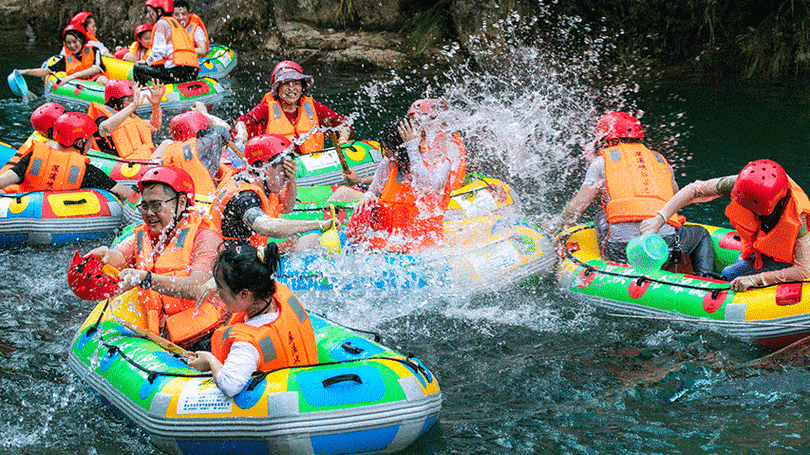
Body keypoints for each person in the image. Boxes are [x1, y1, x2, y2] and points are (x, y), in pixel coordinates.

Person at [553, 111, 715, 276]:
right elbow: (677, 199)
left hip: (621, 252)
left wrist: (556, 226)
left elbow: (577, 207)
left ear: (612, 140)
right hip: (664, 249)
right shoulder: (660, 161)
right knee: (700, 233)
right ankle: (706, 277)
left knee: (602, 215)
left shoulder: (601, 163)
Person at [88, 166, 224, 343]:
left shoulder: (205, 236)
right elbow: (120, 257)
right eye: (144, 206)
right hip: (163, 331)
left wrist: (146, 279)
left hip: (206, 335)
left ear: (181, 203)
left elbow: (199, 288)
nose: (149, 213)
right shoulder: (144, 234)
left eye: (156, 205)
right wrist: (105, 255)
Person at [641, 159, 810, 291]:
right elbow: (695, 190)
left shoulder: (797, 215)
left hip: (793, 261)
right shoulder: (743, 183)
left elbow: (804, 270)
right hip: (763, 252)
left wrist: (755, 279)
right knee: (730, 274)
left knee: (729, 276)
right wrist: (660, 218)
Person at [187, 243, 319, 397]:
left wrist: (209, 360)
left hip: (280, 407)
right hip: (306, 384)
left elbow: (229, 385)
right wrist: (217, 281)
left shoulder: (246, 345)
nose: (218, 295)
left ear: (244, 294)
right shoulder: (273, 290)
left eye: (221, 289)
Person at [208, 134, 338, 251]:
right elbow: (266, 227)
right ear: (261, 166)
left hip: (247, 253)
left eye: (289, 170)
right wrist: (319, 224)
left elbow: (287, 208)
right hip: (229, 264)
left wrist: (291, 180)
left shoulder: (261, 180)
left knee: (309, 240)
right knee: (311, 240)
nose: (286, 176)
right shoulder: (244, 196)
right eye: (283, 170)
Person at [345, 117, 452, 253]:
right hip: (391, 240)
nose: (388, 155)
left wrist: (412, 147)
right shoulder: (389, 162)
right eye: (385, 150)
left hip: (424, 245)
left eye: (390, 150)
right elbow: (374, 190)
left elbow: (429, 186)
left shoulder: (438, 160)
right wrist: (368, 197)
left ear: (404, 148)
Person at [0, 112, 133, 202]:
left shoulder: (33, 158)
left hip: (25, 212)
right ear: (80, 143)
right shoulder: (87, 171)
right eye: (90, 140)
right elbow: (125, 194)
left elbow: (4, 180)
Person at [232, 60, 351, 155]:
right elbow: (242, 122)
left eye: (296, 83)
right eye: (286, 83)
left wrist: (343, 138)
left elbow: (343, 124)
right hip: (277, 167)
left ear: (302, 87)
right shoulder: (266, 108)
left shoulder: (314, 107)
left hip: (312, 166)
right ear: (277, 87)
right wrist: (242, 134)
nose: (291, 88)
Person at [151, 103, 231, 196]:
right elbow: (224, 127)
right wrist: (205, 114)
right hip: (205, 201)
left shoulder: (169, 149)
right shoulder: (199, 147)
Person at [87, 79, 165, 160]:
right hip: (124, 167)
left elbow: (154, 126)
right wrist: (133, 105)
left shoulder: (130, 117)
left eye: (133, 100)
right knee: (167, 143)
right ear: (116, 101)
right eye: (129, 100)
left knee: (167, 145)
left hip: (141, 162)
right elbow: (104, 129)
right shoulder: (102, 118)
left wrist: (156, 105)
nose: (133, 102)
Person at [16, 25, 108, 89]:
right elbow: (45, 71)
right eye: (68, 43)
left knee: (102, 79)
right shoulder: (66, 60)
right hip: (78, 87)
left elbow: (97, 69)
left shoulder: (94, 50)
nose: (72, 46)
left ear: (82, 39)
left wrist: (70, 77)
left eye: (74, 41)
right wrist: (26, 71)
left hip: (96, 83)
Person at [133, 0, 200, 84]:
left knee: (137, 68)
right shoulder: (176, 24)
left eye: (150, 12)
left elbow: (158, 52)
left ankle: (141, 94)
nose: (148, 16)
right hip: (192, 71)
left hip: (176, 72)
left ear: (159, 11)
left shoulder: (161, 24)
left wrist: (146, 62)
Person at [0, 103, 65, 187]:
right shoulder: (50, 145)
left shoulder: (40, 132)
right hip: (10, 189)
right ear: (51, 130)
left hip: (7, 174)